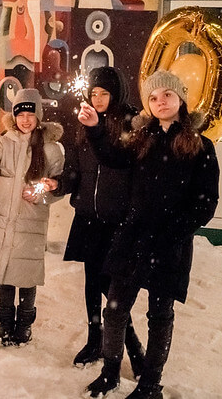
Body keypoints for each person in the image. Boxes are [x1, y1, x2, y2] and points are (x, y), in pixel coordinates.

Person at [86, 70, 219, 399]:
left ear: (181, 100)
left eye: (168, 95)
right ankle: (110, 372)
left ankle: (150, 385)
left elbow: (206, 201)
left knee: (160, 314)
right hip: (133, 238)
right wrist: (96, 129)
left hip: (170, 243)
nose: (161, 102)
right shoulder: (140, 139)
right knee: (115, 308)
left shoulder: (200, 146)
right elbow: (111, 157)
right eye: (154, 97)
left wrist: (176, 231)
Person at [55, 67, 144, 372]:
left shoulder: (132, 123)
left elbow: (133, 170)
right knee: (92, 283)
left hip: (117, 220)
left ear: (116, 93)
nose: (98, 99)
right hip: (88, 217)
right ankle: (95, 340)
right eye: (93, 93)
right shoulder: (83, 122)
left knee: (112, 289)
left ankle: (132, 345)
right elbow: (74, 170)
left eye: (104, 93)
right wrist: (58, 184)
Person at [0, 88, 64, 346]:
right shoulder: (4, 142)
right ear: (14, 117)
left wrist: (40, 191)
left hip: (30, 221)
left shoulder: (51, 149)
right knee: (5, 271)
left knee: (26, 274)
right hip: (4, 219)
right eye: (21, 114)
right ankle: (5, 322)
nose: (25, 120)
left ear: (38, 116)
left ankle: (24, 325)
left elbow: (58, 185)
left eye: (30, 114)